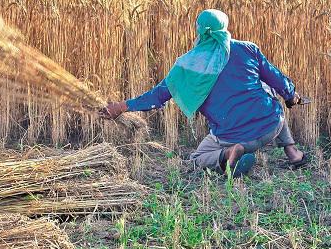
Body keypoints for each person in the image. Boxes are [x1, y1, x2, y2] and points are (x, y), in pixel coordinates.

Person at [101, 9, 307, 177]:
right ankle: (293, 153)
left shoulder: (187, 66)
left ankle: (227, 154)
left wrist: (121, 107)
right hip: (271, 126)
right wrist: (292, 96)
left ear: (199, 31)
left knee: (198, 158)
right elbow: (278, 80)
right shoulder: (248, 49)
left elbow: (157, 97)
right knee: (268, 91)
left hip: (232, 136)